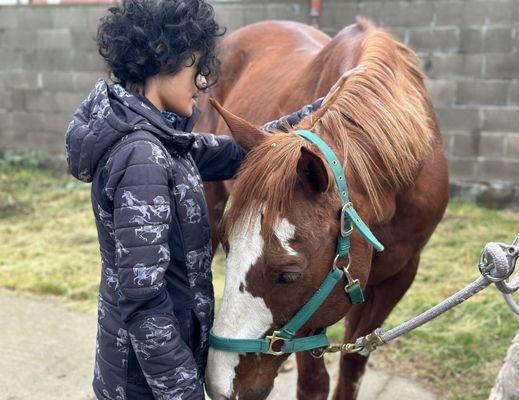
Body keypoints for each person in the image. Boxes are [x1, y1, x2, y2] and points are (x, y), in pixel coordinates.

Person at [65, 0, 359, 398]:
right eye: (197, 67)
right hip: (146, 383)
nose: (204, 83)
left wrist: (322, 108)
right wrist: (184, 392)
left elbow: (238, 151)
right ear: (160, 57)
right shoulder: (142, 158)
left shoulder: (165, 141)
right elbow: (143, 301)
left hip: (158, 369)